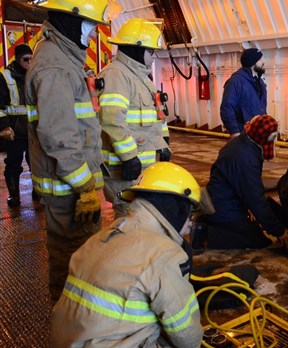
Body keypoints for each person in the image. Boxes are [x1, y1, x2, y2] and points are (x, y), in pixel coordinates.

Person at [25, 0, 120, 302]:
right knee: (72, 260)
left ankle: (74, 321)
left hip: (72, 189)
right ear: (71, 20)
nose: (94, 33)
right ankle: (69, 326)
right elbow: (58, 135)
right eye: (91, 25)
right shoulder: (54, 66)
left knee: (79, 259)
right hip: (69, 191)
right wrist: (85, 186)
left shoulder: (62, 59)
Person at [51, 162, 203, 347]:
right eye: (190, 215)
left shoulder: (100, 237)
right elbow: (188, 339)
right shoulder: (165, 255)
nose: (189, 225)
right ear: (177, 209)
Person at [98, 18, 170, 218]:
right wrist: (129, 157)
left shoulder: (141, 78)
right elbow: (112, 120)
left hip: (143, 167)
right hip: (126, 170)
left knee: (143, 217)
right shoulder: (116, 76)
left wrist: (163, 144)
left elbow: (157, 114)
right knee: (130, 219)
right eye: (151, 52)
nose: (154, 57)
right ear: (137, 50)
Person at [199, 114, 288, 250]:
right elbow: (255, 199)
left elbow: (248, 190)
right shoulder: (245, 158)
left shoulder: (242, 143)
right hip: (223, 209)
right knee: (258, 240)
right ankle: (206, 236)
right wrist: (279, 232)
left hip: (222, 200)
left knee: (268, 207)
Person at [0, 44, 33, 207]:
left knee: (36, 163)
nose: (29, 62)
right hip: (14, 131)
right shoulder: (5, 77)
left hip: (33, 130)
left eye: (31, 59)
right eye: (25, 59)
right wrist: (4, 127)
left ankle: (38, 191)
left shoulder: (35, 74)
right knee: (13, 163)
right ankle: (14, 195)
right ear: (17, 59)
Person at [220, 47, 267, 138]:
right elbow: (227, 108)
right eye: (260, 59)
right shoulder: (236, 82)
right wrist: (234, 132)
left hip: (258, 133)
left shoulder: (259, 82)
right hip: (243, 134)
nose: (263, 61)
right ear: (252, 63)